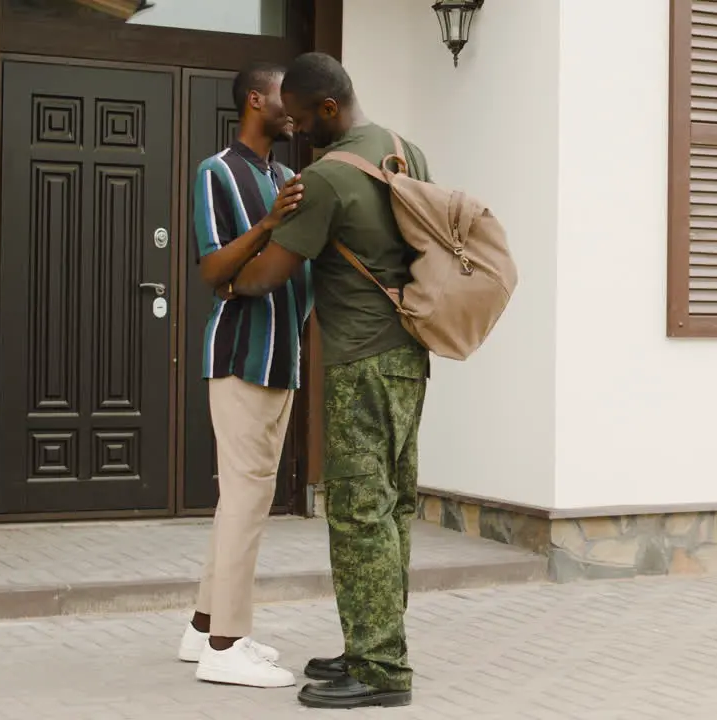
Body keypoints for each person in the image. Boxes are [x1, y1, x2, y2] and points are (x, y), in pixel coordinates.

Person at [228, 51, 430, 710]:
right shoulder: (406, 152)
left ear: (329, 109)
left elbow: (270, 273)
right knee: (393, 506)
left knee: (356, 513)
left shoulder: (326, 178)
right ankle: (376, 643)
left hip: (360, 361)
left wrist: (228, 278)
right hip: (408, 355)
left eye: (301, 114)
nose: (295, 125)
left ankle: (378, 670)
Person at [177, 60, 314, 689]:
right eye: (287, 96)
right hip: (239, 359)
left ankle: (204, 627)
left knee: (243, 500)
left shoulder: (285, 175)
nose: (297, 107)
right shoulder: (216, 172)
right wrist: (266, 225)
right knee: (246, 504)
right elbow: (211, 271)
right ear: (257, 100)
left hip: (282, 361)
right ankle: (226, 647)